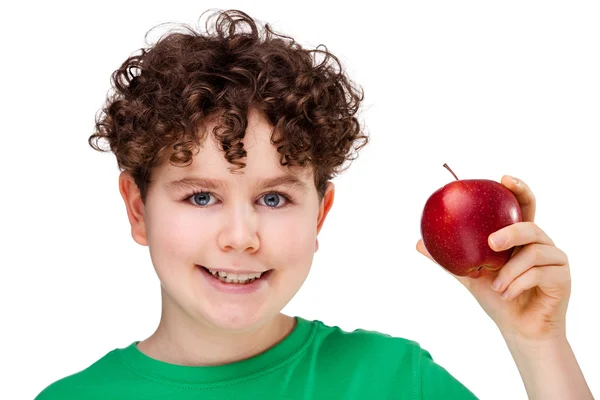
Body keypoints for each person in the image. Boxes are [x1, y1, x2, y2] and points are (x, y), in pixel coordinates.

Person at [35, 9, 593, 400]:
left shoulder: (394, 380)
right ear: (138, 210)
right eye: (201, 196)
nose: (240, 235)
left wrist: (538, 343)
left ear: (320, 214)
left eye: (273, 197)